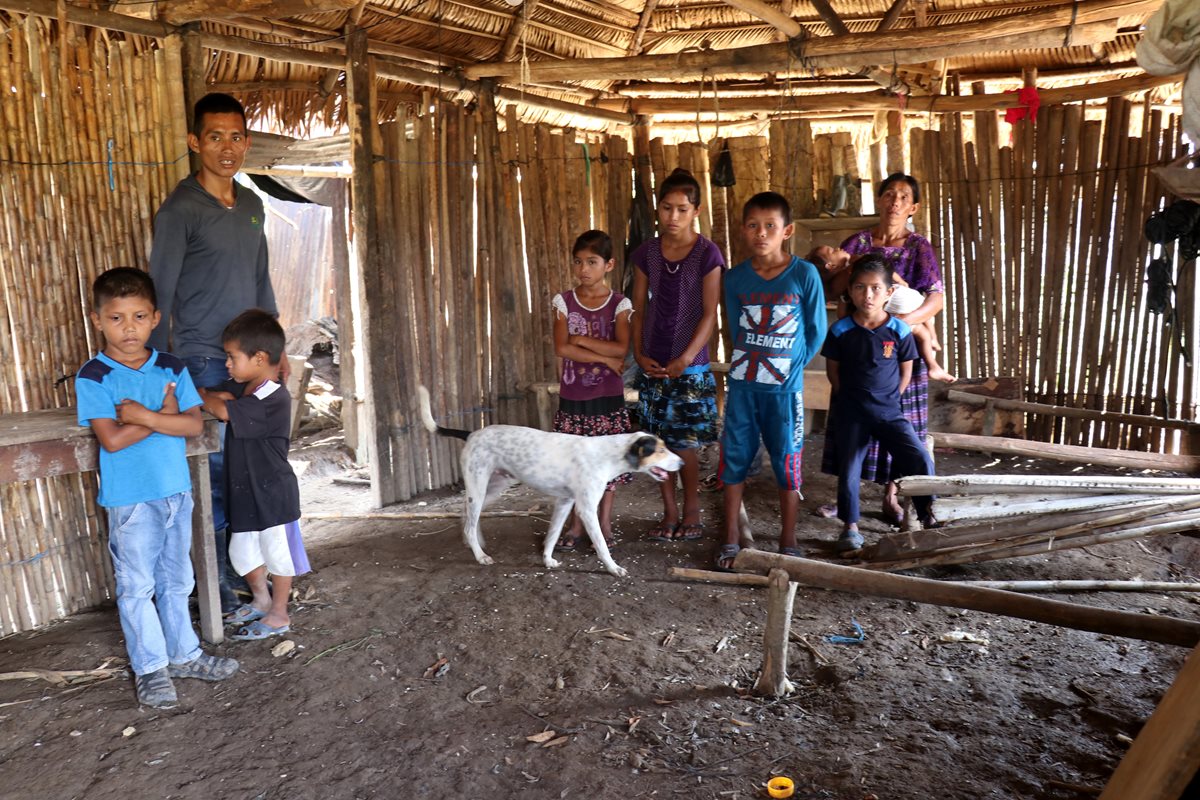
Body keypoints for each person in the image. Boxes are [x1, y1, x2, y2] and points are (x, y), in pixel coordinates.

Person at [76, 267, 239, 708]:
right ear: (97, 320)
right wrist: (160, 416)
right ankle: (150, 669)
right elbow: (110, 438)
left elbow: (189, 424)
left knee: (177, 579)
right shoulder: (93, 376)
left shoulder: (170, 365)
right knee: (136, 587)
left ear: (155, 318)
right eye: (116, 318)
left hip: (174, 491)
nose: (129, 328)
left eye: (139, 317)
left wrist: (144, 417)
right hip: (131, 501)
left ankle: (184, 655)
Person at [148, 92, 285, 615]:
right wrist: (162, 373)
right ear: (194, 142)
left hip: (252, 363)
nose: (226, 148)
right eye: (214, 137)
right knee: (218, 477)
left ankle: (253, 579)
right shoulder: (180, 210)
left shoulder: (251, 205)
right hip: (202, 362)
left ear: (247, 142)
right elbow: (159, 293)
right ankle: (219, 588)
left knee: (253, 472)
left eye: (235, 137)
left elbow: (260, 279)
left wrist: (275, 351)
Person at [819, 173, 945, 525]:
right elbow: (833, 286)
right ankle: (848, 502)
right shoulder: (858, 242)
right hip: (859, 344)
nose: (895, 201)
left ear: (913, 207)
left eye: (904, 197)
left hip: (897, 347)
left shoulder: (919, 247)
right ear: (879, 200)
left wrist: (904, 324)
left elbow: (935, 297)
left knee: (898, 426)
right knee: (853, 423)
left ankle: (893, 498)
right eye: (889, 194)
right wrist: (849, 267)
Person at [715, 192, 826, 570]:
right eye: (753, 226)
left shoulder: (803, 274)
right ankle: (730, 538)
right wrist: (747, 366)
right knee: (734, 458)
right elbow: (732, 329)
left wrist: (791, 368)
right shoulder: (735, 279)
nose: (761, 233)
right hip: (744, 387)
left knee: (787, 460)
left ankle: (788, 540)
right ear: (743, 230)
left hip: (784, 391)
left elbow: (816, 331)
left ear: (787, 231)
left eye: (770, 226)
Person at [198, 310, 309, 641]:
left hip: (274, 493)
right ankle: (261, 600)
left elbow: (217, 406)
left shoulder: (271, 397)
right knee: (243, 553)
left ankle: (279, 613)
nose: (228, 364)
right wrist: (214, 396)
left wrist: (210, 399)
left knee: (278, 555)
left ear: (260, 358)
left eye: (232, 357)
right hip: (245, 489)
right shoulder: (244, 388)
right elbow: (212, 392)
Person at [630, 167, 724, 543]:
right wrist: (638, 352)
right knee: (656, 443)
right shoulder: (647, 253)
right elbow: (636, 307)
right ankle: (668, 513)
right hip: (653, 362)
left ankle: (693, 512)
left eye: (682, 209)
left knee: (684, 444)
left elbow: (709, 312)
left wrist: (687, 357)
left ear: (696, 211)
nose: (673, 217)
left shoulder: (707, 253)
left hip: (690, 365)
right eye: (666, 208)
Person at [822, 256, 938, 552]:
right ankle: (850, 528)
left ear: (889, 293)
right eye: (860, 287)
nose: (868, 295)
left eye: (875, 288)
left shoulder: (898, 330)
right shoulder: (840, 330)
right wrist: (848, 396)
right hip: (851, 412)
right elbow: (833, 370)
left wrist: (890, 398)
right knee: (849, 469)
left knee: (919, 457)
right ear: (850, 290)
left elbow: (906, 368)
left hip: (889, 412)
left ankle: (930, 516)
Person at [550, 230, 634, 550]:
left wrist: (582, 340)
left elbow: (621, 350)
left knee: (606, 461)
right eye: (578, 262)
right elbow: (561, 348)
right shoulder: (564, 302)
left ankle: (604, 522)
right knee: (576, 463)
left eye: (592, 262)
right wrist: (604, 357)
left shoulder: (619, 304)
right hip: (574, 396)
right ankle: (576, 525)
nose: (583, 269)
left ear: (609, 265)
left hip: (607, 398)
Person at [808, 244, 955, 383]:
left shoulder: (842, 283)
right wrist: (900, 281)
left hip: (890, 303)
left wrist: (847, 321)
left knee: (919, 327)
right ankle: (933, 347)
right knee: (921, 314)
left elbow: (842, 314)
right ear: (830, 266)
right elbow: (883, 266)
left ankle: (933, 362)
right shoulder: (858, 262)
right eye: (833, 251)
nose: (839, 248)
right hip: (898, 296)